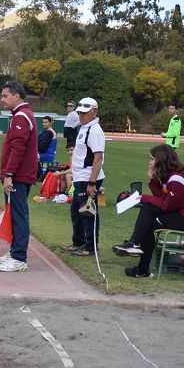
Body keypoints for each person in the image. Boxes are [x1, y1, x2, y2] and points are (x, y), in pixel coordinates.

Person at [112, 144, 184, 278]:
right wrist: (153, 180)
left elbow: (166, 205)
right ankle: (138, 257)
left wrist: (143, 198)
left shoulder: (178, 179)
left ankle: (137, 252)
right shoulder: (169, 176)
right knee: (148, 216)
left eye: (152, 159)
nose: (150, 162)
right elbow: (162, 198)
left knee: (148, 217)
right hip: (181, 213)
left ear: (161, 160)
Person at [0, 80, 39, 272]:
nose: (2, 100)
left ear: (16, 95)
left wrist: (9, 174)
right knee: (13, 214)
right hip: (18, 175)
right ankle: (14, 251)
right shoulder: (22, 115)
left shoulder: (21, 116)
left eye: (5, 96)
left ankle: (19, 257)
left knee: (19, 215)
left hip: (18, 177)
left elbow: (18, 148)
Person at [62, 98, 105, 257]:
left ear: (94, 112)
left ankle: (91, 246)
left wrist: (92, 182)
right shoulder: (85, 127)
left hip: (88, 178)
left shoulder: (95, 130)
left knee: (88, 212)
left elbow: (98, 158)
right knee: (76, 211)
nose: (81, 115)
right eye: (79, 112)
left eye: (85, 113)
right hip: (81, 177)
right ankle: (78, 242)